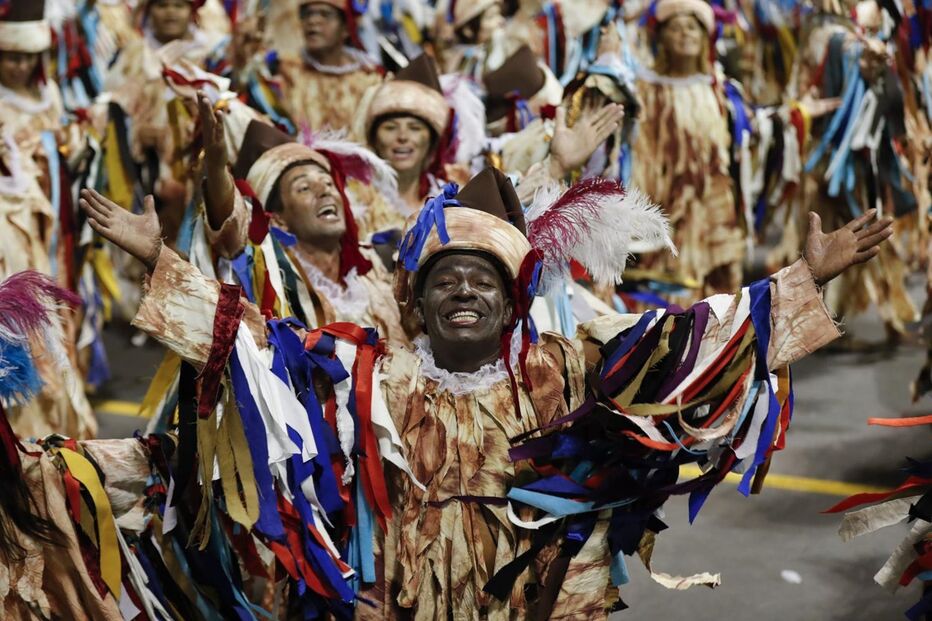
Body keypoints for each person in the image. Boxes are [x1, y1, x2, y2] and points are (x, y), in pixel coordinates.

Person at [65, 160, 894, 617]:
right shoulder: (368, 370)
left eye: (482, 279)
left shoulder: (567, 367)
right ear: (418, 305)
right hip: (403, 595)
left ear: (510, 300)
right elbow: (256, 345)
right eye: (445, 280)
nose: (464, 291)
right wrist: (158, 261)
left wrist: (797, 281)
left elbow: (683, 348)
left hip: (541, 596)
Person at [0, 0, 96, 439]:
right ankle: (24, 427)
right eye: (9, 56)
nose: (17, 66)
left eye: (24, 57)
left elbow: (68, 156)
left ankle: (59, 423)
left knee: (55, 316)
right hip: (14, 226)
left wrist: (71, 144)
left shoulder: (51, 94)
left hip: (56, 224)